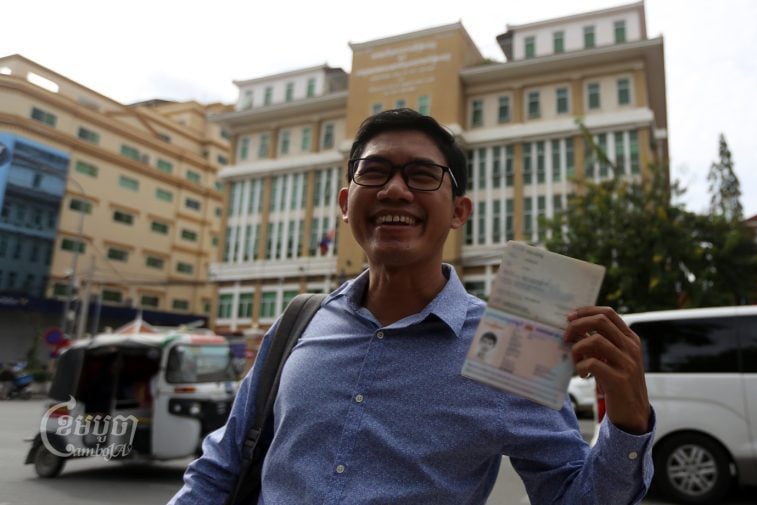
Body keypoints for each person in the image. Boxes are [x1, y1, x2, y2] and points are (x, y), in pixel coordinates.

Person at [169, 108, 654, 504]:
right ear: (345, 202)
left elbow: (573, 496)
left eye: (422, 175)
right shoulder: (299, 322)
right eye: (374, 171)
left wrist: (628, 424)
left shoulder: (510, 344)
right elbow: (222, 466)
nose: (395, 190)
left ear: (459, 211)